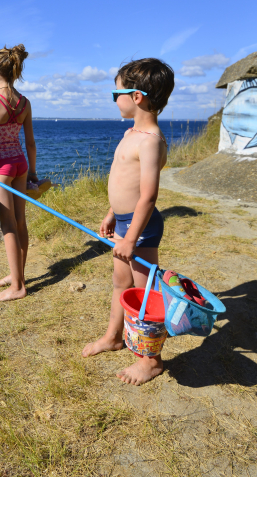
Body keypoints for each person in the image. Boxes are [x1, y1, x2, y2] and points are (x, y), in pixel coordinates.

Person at [82, 58, 175, 385]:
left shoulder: (150, 141)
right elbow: (124, 182)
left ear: (136, 97)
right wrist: (112, 215)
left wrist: (131, 237)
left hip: (141, 229)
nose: (114, 100)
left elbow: (147, 196)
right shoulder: (131, 133)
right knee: (120, 285)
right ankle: (113, 337)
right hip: (124, 223)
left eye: (115, 94)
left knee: (144, 293)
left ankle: (150, 360)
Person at [0, 44, 48, 301]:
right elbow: (31, 143)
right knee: (20, 222)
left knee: (8, 225)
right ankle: (16, 274)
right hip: (20, 164)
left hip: (2, 169)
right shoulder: (25, 103)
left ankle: (18, 287)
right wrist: (32, 172)